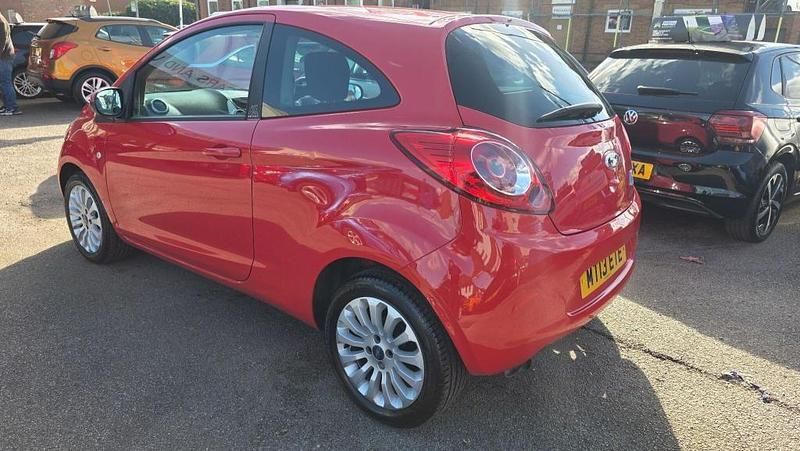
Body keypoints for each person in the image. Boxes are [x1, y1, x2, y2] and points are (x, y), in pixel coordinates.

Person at [0, 11, 21, 116]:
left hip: (4, 57)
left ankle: (12, 107)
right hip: (5, 56)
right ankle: (7, 106)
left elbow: (1, 43)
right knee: (3, 83)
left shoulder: (1, 23)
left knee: (5, 83)